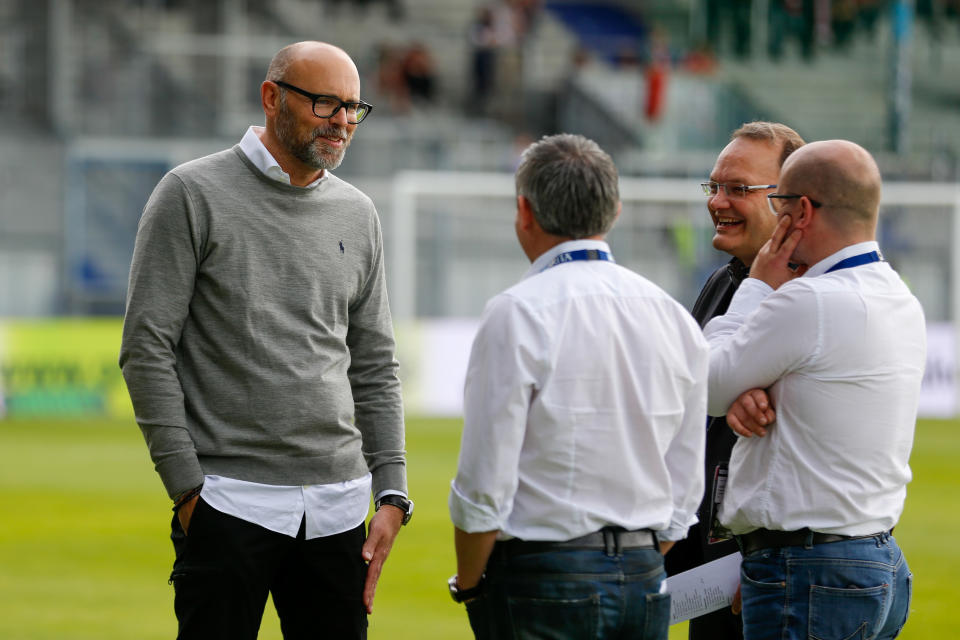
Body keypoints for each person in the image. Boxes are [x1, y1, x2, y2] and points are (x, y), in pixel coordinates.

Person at [119, 41, 412, 640]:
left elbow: (375, 363)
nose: (342, 122)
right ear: (272, 97)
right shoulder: (189, 193)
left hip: (338, 510)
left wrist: (392, 491)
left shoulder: (359, 214)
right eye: (325, 102)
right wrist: (187, 490)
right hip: (227, 505)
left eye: (354, 107)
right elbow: (146, 349)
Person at [447, 133, 709, 639]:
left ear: (525, 210)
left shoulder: (518, 311)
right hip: (643, 576)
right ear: (613, 211)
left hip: (544, 574)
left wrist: (471, 583)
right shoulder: (674, 317)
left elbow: (484, 481)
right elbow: (684, 490)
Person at [705, 140, 923, 640]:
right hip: (874, 556)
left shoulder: (810, 300)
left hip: (809, 566)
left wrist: (755, 286)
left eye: (777, 204)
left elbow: (709, 382)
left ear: (800, 211)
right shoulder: (898, 296)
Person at [663, 121, 804, 640]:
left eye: (738, 189)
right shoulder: (724, 280)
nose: (718, 201)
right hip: (711, 562)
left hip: (773, 569)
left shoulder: (816, 293)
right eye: (714, 186)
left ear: (792, 200)